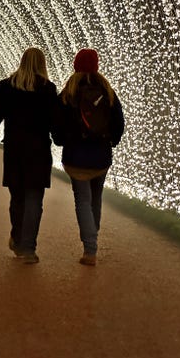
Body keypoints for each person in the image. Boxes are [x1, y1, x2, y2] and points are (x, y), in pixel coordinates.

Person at [51, 48, 124, 266]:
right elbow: (119, 122)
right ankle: (93, 236)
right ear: (96, 65)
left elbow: (56, 123)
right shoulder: (108, 91)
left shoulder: (68, 93)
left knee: (82, 200)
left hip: (75, 156)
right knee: (95, 198)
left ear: (75, 66)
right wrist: (112, 141)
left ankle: (90, 248)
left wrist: (60, 140)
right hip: (101, 156)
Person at [0, 47, 58, 264]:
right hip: (38, 150)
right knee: (34, 198)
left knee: (17, 196)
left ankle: (18, 238)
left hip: (15, 148)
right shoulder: (48, 89)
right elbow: (54, 121)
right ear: (42, 64)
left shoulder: (7, 86)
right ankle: (28, 247)